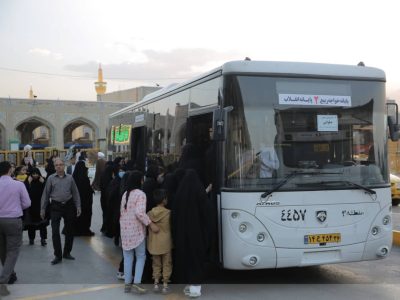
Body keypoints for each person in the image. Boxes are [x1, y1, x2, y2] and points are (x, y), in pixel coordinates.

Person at [172, 168, 213, 298]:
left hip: (182, 235)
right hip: (197, 235)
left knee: (185, 259)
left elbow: (174, 216)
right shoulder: (199, 193)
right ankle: (195, 288)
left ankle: (188, 286)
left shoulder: (179, 194)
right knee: (196, 259)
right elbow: (207, 213)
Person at [120, 170, 159, 294]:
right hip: (136, 231)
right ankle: (137, 283)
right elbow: (139, 213)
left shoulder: (125, 193)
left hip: (125, 231)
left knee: (127, 257)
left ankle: (127, 284)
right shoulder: (140, 194)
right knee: (141, 256)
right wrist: (150, 224)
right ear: (140, 181)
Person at [40, 158, 81, 265]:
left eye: (61, 164)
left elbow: (75, 193)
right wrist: (43, 209)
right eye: (57, 165)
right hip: (55, 206)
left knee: (69, 230)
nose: (59, 166)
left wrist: (78, 206)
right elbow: (46, 194)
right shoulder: (50, 178)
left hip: (69, 205)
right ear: (54, 167)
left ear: (64, 166)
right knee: (55, 232)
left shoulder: (70, 178)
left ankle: (67, 252)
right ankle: (57, 255)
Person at [0, 161, 31, 296]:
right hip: (13, 220)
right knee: (12, 251)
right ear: (9, 170)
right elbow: (27, 203)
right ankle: (3, 281)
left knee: (2, 250)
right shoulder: (18, 184)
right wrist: (15, 207)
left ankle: (10, 273)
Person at [147, 189, 172, 294]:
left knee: (156, 264)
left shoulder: (149, 214)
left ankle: (156, 283)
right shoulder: (168, 213)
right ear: (164, 200)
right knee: (167, 264)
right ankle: (165, 284)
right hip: (166, 244)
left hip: (154, 244)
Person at [24, 168, 48, 246]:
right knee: (31, 224)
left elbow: (47, 191)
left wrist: (44, 182)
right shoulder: (27, 181)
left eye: (36, 173)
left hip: (41, 205)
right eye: (33, 174)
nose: (35, 175)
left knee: (42, 224)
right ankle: (31, 239)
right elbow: (24, 192)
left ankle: (43, 239)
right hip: (31, 206)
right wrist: (28, 182)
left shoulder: (43, 180)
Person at [72, 161, 94, 236]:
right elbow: (88, 191)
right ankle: (84, 230)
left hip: (76, 203)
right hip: (85, 204)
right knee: (85, 215)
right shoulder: (85, 179)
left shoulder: (73, 178)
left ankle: (75, 229)